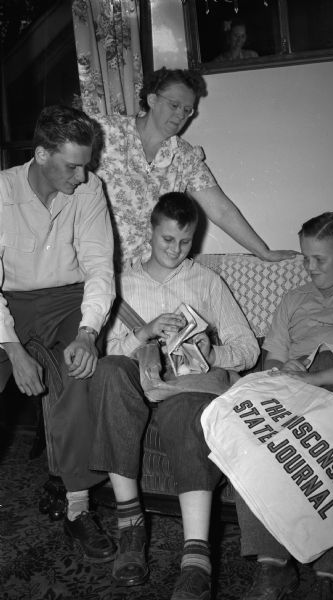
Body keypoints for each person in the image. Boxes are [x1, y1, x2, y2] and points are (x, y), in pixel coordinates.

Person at [86, 192, 259, 596]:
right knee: (111, 370)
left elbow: (248, 349)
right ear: (150, 230)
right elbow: (105, 355)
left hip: (185, 389)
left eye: (185, 242)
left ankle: (196, 555)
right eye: (167, 240)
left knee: (187, 409)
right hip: (133, 386)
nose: (175, 250)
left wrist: (207, 350)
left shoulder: (207, 281)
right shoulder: (122, 284)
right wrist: (143, 334)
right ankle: (131, 527)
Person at [234, 212, 333, 600]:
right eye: (305, 257)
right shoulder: (293, 299)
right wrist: (283, 372)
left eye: (319, 259)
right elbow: (272, 360)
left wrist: (316, 379)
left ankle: (331, 575)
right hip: (298, 383)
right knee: (257, 439)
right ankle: (272, 566)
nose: (309, 267)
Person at [0, 106, 116, 561]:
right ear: (42, 154)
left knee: (79, 370)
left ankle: (78, 508)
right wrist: (12, 348)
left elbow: (99, 267)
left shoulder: (90, 191)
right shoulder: (1, 191)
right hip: (8, 303)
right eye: (72, 165)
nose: (82, 175)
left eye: (86, 163)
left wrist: (88, 332)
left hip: (68, 300)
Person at [92, 67, 291, 268]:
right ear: (152, 100)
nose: (180, 115)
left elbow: (221, 211)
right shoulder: (105, 132)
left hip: (149, 277)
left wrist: (263, 251)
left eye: (187, 110)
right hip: (97, 270)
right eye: (174, 105)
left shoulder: (184, 156)